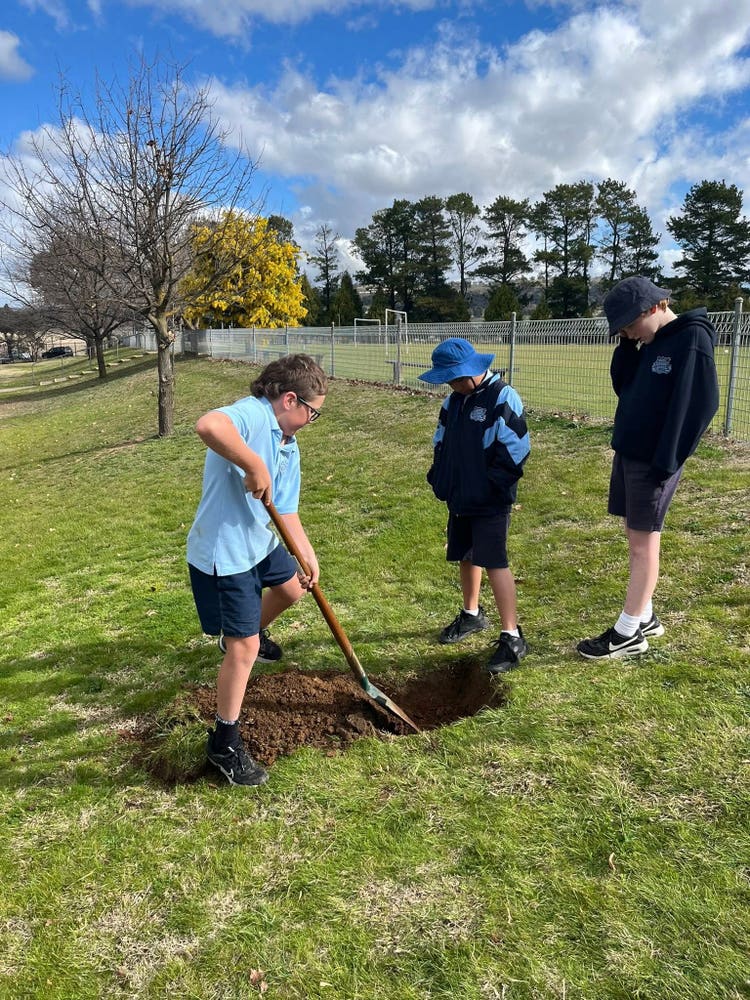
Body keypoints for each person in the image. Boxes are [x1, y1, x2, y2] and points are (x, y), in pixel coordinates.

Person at [187, 354, 327, 785]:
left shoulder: (289, 443)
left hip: (257, 542)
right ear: (290, 399)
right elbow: (208, 426)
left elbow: (286, 509)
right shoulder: (250, 415)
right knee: (243, 649)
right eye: (313, 412)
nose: (312, 420)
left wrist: (306, 555)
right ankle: (224, 743)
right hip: (225, 552)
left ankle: (247, 634)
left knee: (291, 589)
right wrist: (254, 463)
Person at [577, 276, 719, 660]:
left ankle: (627, 633)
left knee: (643, 545)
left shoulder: (691, 340)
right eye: (620, 328)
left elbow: (699, 406)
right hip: (630, 452)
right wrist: (627, 344)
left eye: (628, 324)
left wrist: (667, 461)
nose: (626, 331)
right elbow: (624, 385)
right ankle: (647, 615)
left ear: (656, 306)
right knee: (634, 535)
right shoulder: (646, 342)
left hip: (654, 461)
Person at [419, 337, 531, 675]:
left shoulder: (502, 397)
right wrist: (441, 476)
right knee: (465, 554)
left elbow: (516, 450)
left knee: (493, 561)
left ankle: (512, 635)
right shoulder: (454, 402)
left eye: (454, 377)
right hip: (461, 497)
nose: (451, 385)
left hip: (491, 501)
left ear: (472, 371)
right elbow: (442, 441)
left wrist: (490, 487)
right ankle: (471, 614)